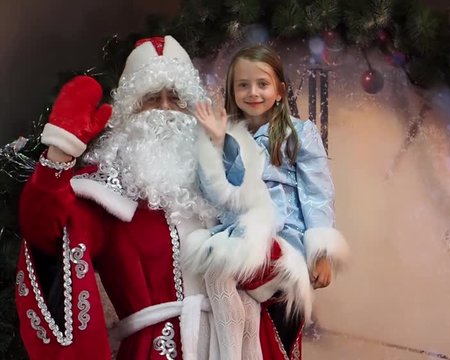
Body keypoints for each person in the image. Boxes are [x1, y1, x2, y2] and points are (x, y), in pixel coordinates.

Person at [15, 36, 286, 360]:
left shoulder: (224, 185)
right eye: (151, 99)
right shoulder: (104, 195)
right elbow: (44, 234)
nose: (166, 110)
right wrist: (59, 154)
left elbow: (269, 281)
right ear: (128, 113)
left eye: (177, 98)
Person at [182, 44, 349, 360]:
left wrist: (321, 252)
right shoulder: (228, 135)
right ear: (232, 92)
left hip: (283, 242)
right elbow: (220, 193)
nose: (253, 92)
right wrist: (218, 145)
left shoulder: (298, 134)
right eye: (243, 85)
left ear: (280, 91)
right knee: (244, 307)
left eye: (262, 84)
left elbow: (317, 194)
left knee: (218, 270)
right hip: (242, 238)